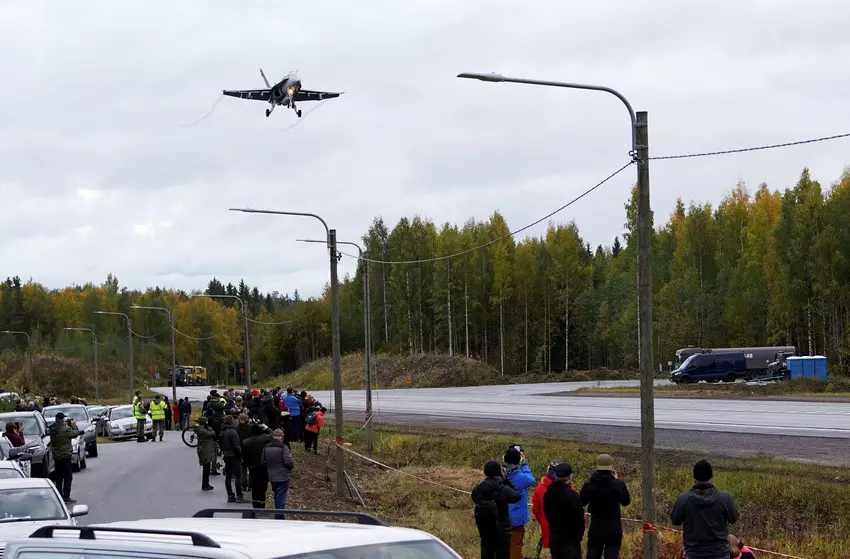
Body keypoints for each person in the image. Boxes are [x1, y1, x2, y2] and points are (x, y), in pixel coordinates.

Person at [671, 460, 739, 559]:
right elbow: (733, 518)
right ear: (711, 476)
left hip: (694, 554)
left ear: (694, 477)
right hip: (720, 554)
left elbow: (675, 520)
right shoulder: (724, 498)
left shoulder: (684, 499)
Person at [580, 454, 630, 559]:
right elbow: (626, 502)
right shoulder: (618, 484)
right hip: (614, 529)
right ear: (611, 467)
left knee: (593, 554)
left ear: (598, 466)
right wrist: (618, 482)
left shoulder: (589, 484)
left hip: (596, 527)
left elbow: (581, 502)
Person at [472, 460, 522, 559]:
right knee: (503, 554)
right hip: (502, 529)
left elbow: (475, 499)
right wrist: (506, 480)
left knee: (486, 554)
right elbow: (517, 496)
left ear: (485, 472)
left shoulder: (478, 489)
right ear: (499, 472)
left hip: (485, 528)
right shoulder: (502, 488)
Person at [544, 462, 585, 559]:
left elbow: (547, 513)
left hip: (554, 536)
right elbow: (579, 518)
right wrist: (579, 536)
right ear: (570, 477)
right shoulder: (572, 495)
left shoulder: (548, 493)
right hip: (570, 540)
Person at [502, 446, 536, 559]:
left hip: (499, 517)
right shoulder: (521, 477)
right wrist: (524, 464)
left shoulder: (499, 474)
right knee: (515, 546)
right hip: (516, 520)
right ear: (519, 460)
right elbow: (531, 480)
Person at [532, 461, 567, 558]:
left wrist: (541, 520)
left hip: (546, 524)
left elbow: (536, 509)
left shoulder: (540, 487)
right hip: (564, 526)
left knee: (546, 550)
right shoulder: (568, 488)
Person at [48, 412, 80, 504]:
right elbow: (75, 433)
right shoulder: (65, 429)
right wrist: (73, 425)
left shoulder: (52, 429)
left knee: (59, 477)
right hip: (65, 455)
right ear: (63, 420)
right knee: (68, 477)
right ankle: (66, 496)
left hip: (56, 456)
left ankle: (59, 495)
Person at [262, 428, 294, 519]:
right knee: (281, 496)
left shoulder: (266, 447)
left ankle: (277, 513)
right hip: (283, 476)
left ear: (273, 436)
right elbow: (288, 462)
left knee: (277, 495)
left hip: (271, 476)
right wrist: (291, 467)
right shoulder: (284, 447)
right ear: (282, 437)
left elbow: (263, 461)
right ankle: (279, 516)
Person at [242, 423, 274, 509]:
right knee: (263, 487)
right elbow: (273, 434)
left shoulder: (246, 442)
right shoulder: (265, 438)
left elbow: (243, 455)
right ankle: (261, 505)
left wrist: (247, 463)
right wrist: (267, 428)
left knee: (255, 487)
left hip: (253, 467)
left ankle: (255, 505)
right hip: (264, 466)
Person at [219, 415, 244, 503]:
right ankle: (239, 495)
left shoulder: (222, 431)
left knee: (228, 476)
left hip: (226, 455)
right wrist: (239, 456)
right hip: (234, 456)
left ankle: (230, 495)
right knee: (238, 476)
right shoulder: (233, 431)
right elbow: (236, 446)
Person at [194, 416, 216, 491]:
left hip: (205, 450)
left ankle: (206, 483)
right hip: (205, 451)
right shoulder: (202, 431)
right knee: (206, 469)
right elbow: (212, 434)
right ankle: (205, 484)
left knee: (206, 468)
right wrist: (209, 427)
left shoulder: (201, 429)